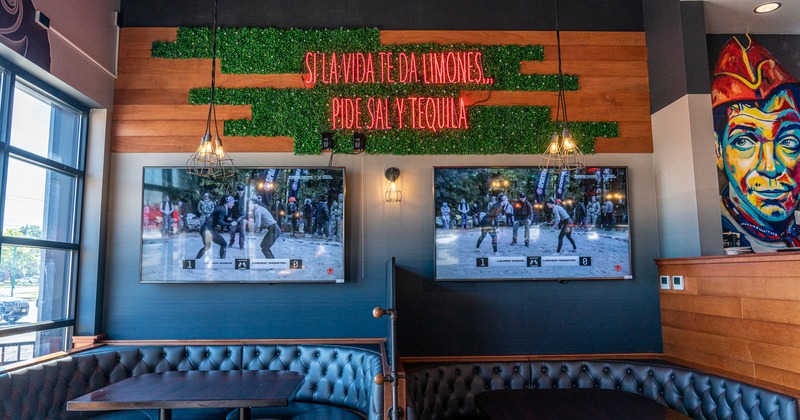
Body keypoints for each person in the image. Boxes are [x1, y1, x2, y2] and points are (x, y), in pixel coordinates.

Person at [712, 35, 800, 251]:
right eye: (744, 142)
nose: (770, 167)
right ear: (718, 151)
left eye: (788, 141)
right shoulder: (712, 232)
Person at [195, 195, 235, 260]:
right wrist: (230, 224)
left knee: (207, 247)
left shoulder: (222, 208)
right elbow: (220, 222)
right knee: (223, 244)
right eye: (232, 202)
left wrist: (230, 220)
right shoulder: (222, 209)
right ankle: (222, 262)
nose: (233, 204)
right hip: (208, 230)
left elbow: (219, 219)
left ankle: (196, 261)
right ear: (228, 202)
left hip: (205, 229)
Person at [228, 185, 247, 249]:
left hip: (242, 217)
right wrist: (228, 216)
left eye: (242, 190)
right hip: (234, 217)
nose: (240, 191)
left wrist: (247, 217)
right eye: (239, 190)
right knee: (232, 231)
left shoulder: (246, 199)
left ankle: (241, 245)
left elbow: (248, 209)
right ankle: (231, 242)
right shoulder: (233, 198)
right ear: (237, 191)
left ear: (243, 191)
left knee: (242, 231)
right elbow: (230, 208)